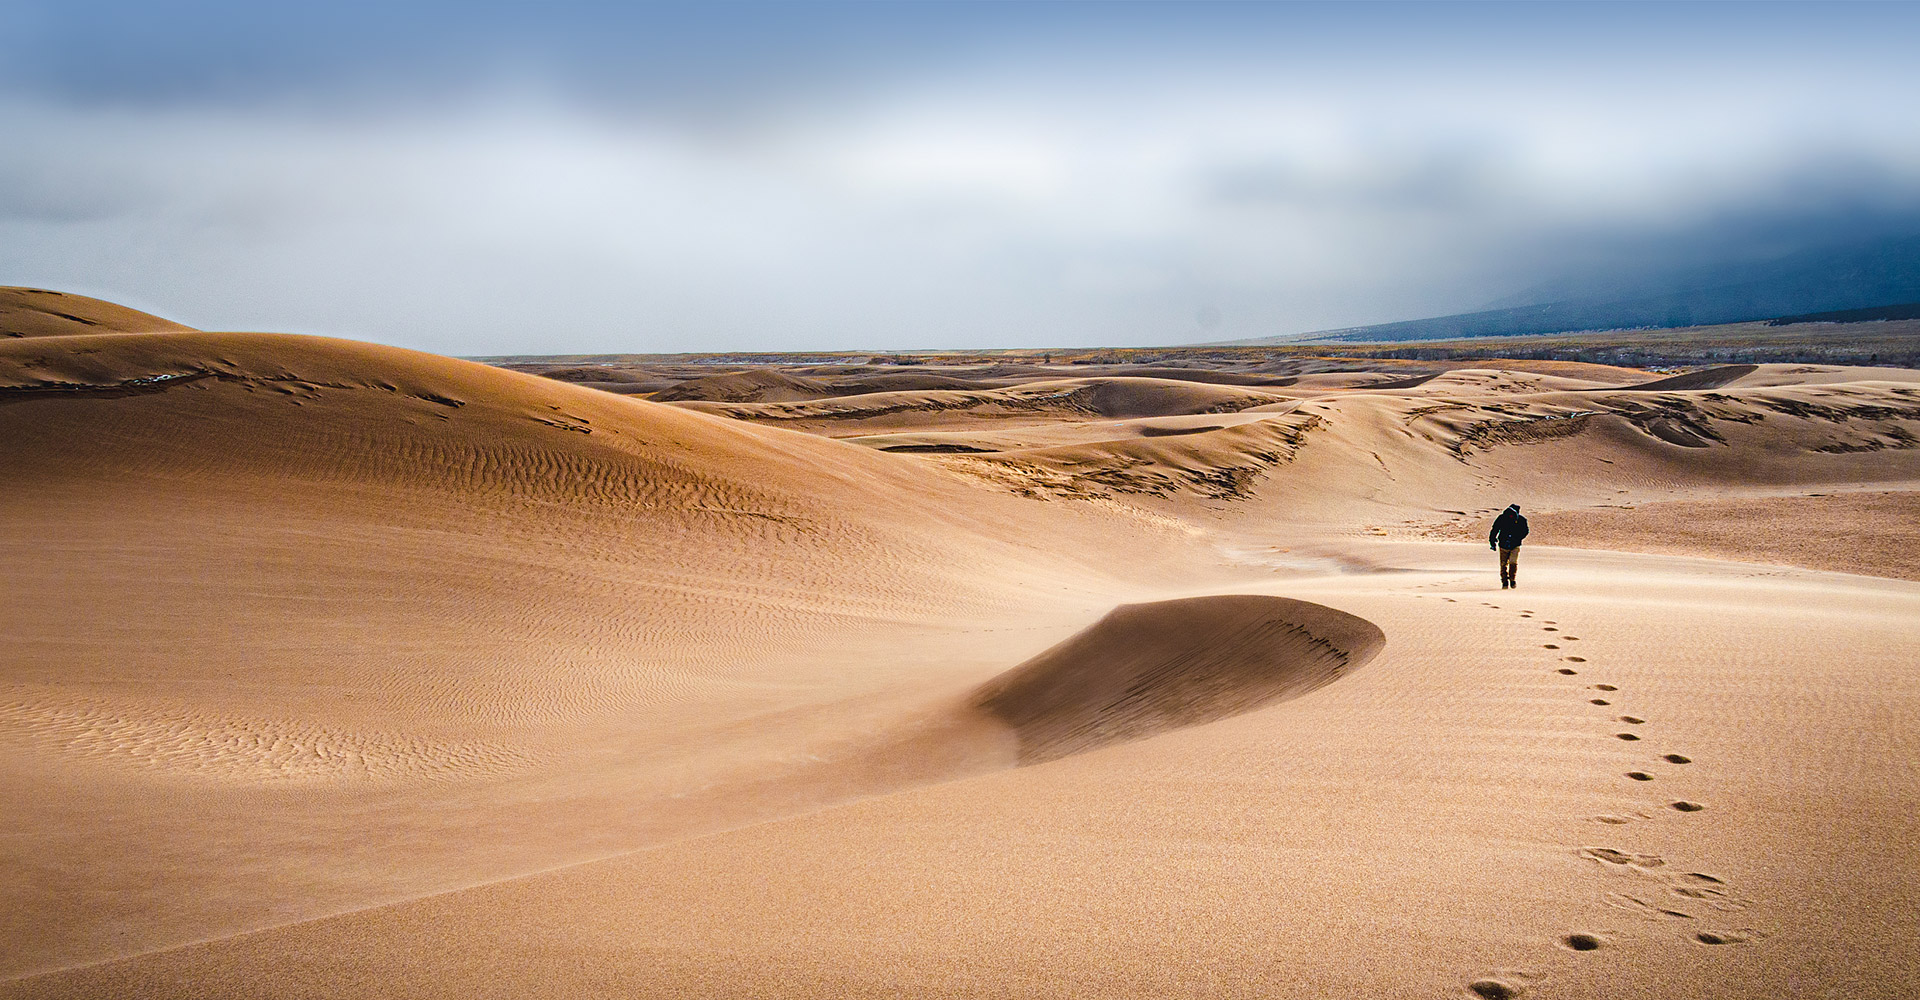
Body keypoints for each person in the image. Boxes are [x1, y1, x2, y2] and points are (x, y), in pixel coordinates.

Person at [1489, 504, 1529, 589]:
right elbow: (1495, 529)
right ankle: (1504, 582)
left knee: (1513, 562)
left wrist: (1517, 538)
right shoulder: (1502, 518)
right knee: (1503, 564)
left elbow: (1525, 531)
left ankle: (1512, 579)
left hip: (1515, 545)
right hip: (1503, 545)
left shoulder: (1521, 520)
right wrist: (1492, 540)